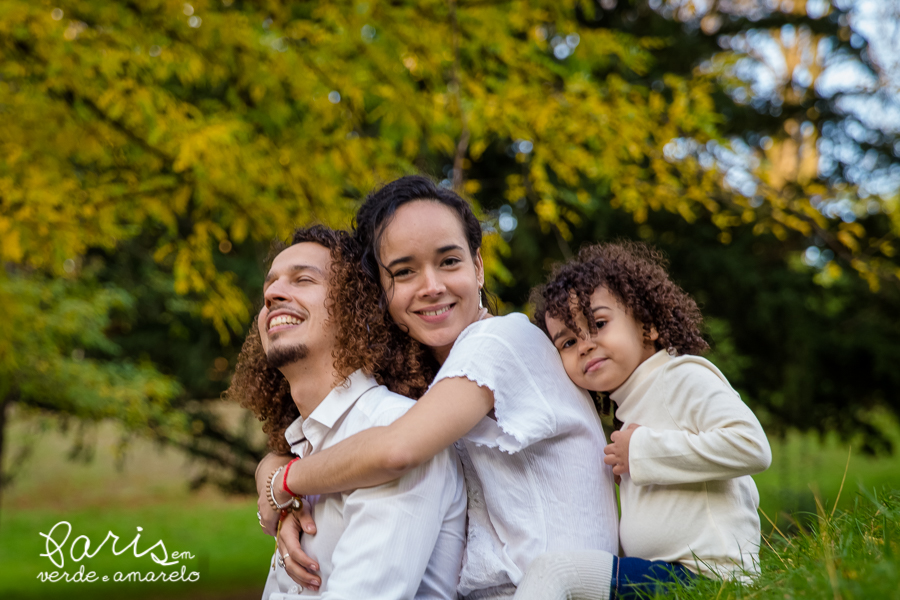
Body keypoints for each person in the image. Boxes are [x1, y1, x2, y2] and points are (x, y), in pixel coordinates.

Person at [263, 176, 619, 600]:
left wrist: (284, 483)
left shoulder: (501, 341)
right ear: (380, 294)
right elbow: (343, 440)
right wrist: (276, 477)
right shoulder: (436, 383)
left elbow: (396, 450)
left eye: (449, 262)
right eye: (404, 272)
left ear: (479, 266)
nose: (431, 286)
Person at [513, 241, 772, 599]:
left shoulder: (681, 376)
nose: (585, 345)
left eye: (599, 323)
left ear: (647, 324)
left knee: (555, 571)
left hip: (708, 578)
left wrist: (642, 452)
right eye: (568, 342)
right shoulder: (632, 408)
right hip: (666, 576)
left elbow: (752, 446)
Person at [227, 225, 466, 600]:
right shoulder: (303, 447)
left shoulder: (393, 427)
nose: (272, 294)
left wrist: (280, 482)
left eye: (303, 279)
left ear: (356, 307)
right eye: (269, 287)